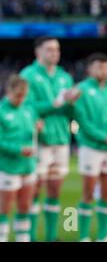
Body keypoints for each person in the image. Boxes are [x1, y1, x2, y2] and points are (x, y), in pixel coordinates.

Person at [20, 36, 80, 242]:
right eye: (50, 49)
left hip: (61, 139)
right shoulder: (27, 75)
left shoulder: (64, 76)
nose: (55, 53)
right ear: (38, 52)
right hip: (39, 140)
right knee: (35, 188)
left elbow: (70, 109)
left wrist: (72, 103)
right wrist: (55, 102)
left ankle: (52, 236)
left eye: (57, 49)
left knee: (54, 189)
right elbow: (25, 107)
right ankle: (30, 236)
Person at [74, 53, 107, 242]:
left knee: (106, 194)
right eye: (99, 67)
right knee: (88, 193)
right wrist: (105, 136)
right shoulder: (81, 90)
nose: (104, 71)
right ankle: (84, 236)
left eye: (106, 67)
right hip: (91, 147)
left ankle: (104, 236)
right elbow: (83, 121)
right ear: (89, 69)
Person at [0, 75, 40, 242]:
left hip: (28, 165)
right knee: (5, 206)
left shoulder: (28, 109)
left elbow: (30, 133)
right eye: (17, 95)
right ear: (8, 91)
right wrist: (18, 149)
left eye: (23, 95)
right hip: (8, 166)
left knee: (25, 205)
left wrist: (38, 126)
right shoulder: (1, 111)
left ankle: (22, 238)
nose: (20, 99)